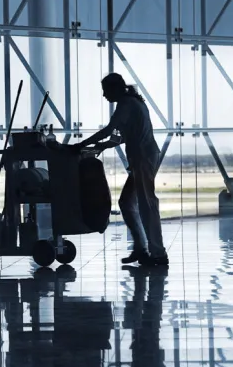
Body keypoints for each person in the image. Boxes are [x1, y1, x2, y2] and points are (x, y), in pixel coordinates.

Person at [72, 73, 168, 267]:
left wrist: (81, 144)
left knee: (147, 204)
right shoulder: (132, 103)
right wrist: (102, 146)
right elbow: (121, 136)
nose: (104, 95)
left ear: (115, 89)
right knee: (127, 202)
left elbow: (108, 130)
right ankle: (142, 248)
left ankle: (158, 253)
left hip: (143, 158)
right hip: (142, 157)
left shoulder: (126, 104)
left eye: (106, 91)